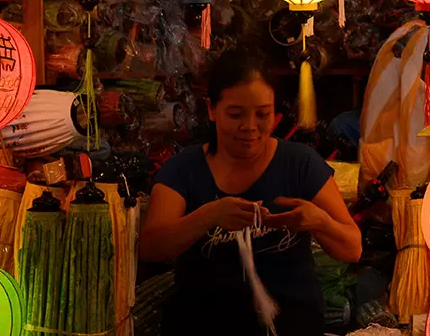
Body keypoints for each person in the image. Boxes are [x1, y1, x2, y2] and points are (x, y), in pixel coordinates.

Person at [141, 50, 362, 336]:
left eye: (262, 114)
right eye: (236, 114)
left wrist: (317, 221)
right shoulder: (183, 169)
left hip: (291, 322)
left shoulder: (299, 163)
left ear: (275, 112)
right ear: (211, 109)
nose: (250, 127)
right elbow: (152, 248)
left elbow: (352, 249)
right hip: (203, 323)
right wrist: (209, 215)